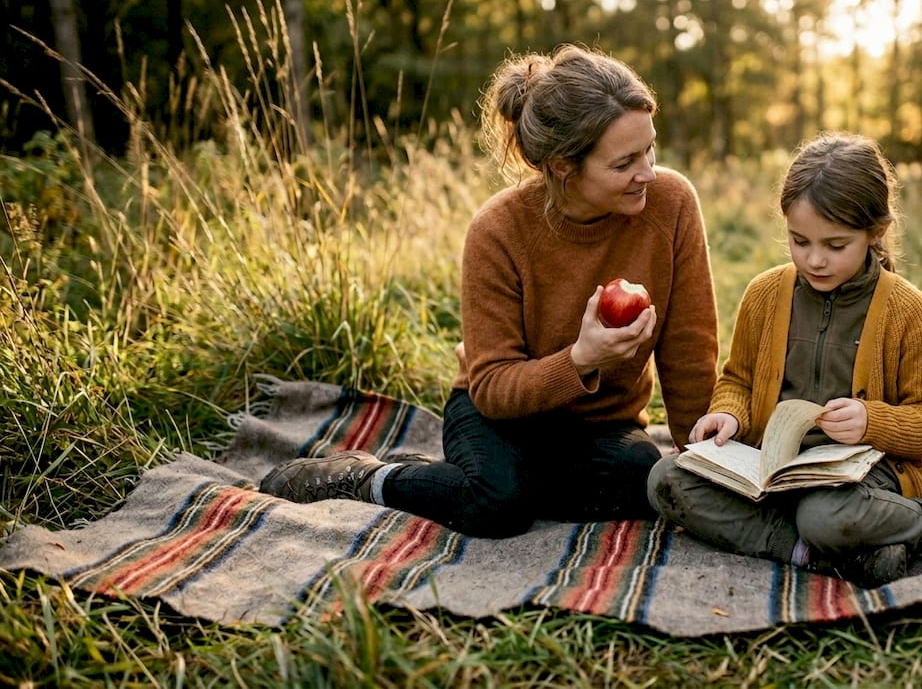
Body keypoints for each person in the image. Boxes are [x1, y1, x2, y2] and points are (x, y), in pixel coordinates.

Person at [259, 45, 720, 537]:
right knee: (498, 505)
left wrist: (702, 458)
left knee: (642, 482)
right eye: (625, 162)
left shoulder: (671, 203)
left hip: (600, 425)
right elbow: (493, 387)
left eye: (650, 148)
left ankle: (467, 481)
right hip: (498, 417)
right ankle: (371, 478)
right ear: (564, 166)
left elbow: (689, 346)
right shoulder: (498, 231)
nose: (647, 171)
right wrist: (581, 359)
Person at [646, 132, 922, 586]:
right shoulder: (764, 294)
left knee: (824, 515)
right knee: (666, 478)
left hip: (862, 481)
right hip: (770, 474)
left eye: (835, 246)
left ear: (875, 232)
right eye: (799, 241)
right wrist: (728, 415)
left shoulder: (906, 310)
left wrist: (871, 422)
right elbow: (737, 380)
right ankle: (826, 555)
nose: (814, 260)